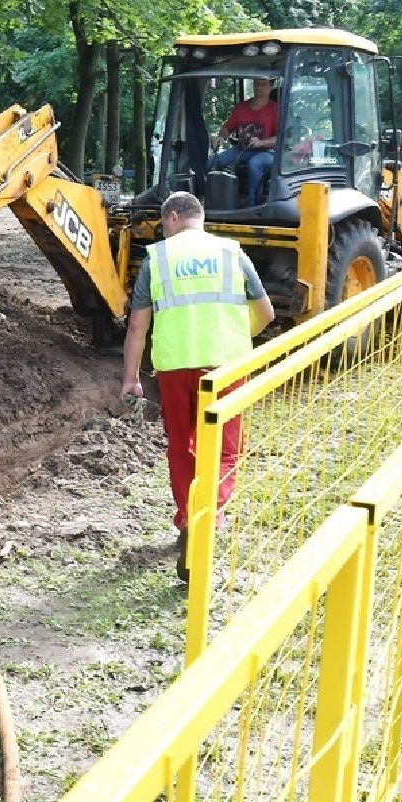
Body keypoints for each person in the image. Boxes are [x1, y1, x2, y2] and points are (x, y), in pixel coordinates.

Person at [121, 191, 275, 581]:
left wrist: (130, 379)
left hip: (174, 368)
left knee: (182, 446)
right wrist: (239, 336)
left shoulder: (157, 259)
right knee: (222, 450)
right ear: (198, 218)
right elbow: (266, 313)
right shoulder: (231, 253)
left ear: (173, 217)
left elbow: (138, 325)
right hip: (224, 366)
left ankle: (188, 516)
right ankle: (208, 517)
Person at [209, 77, 280, 205]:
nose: (258, 87)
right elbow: (227, 127)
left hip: (268, 152)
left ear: (271, 87)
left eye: (263, 84)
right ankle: (212, 201)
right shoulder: (241, 108)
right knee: (213, 162)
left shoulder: (276, 110)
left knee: (254, 164)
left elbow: (281, 138)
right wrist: (221, 137)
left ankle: (253, 204)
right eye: (256, 84)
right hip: (242, 149)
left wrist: (261, 142)